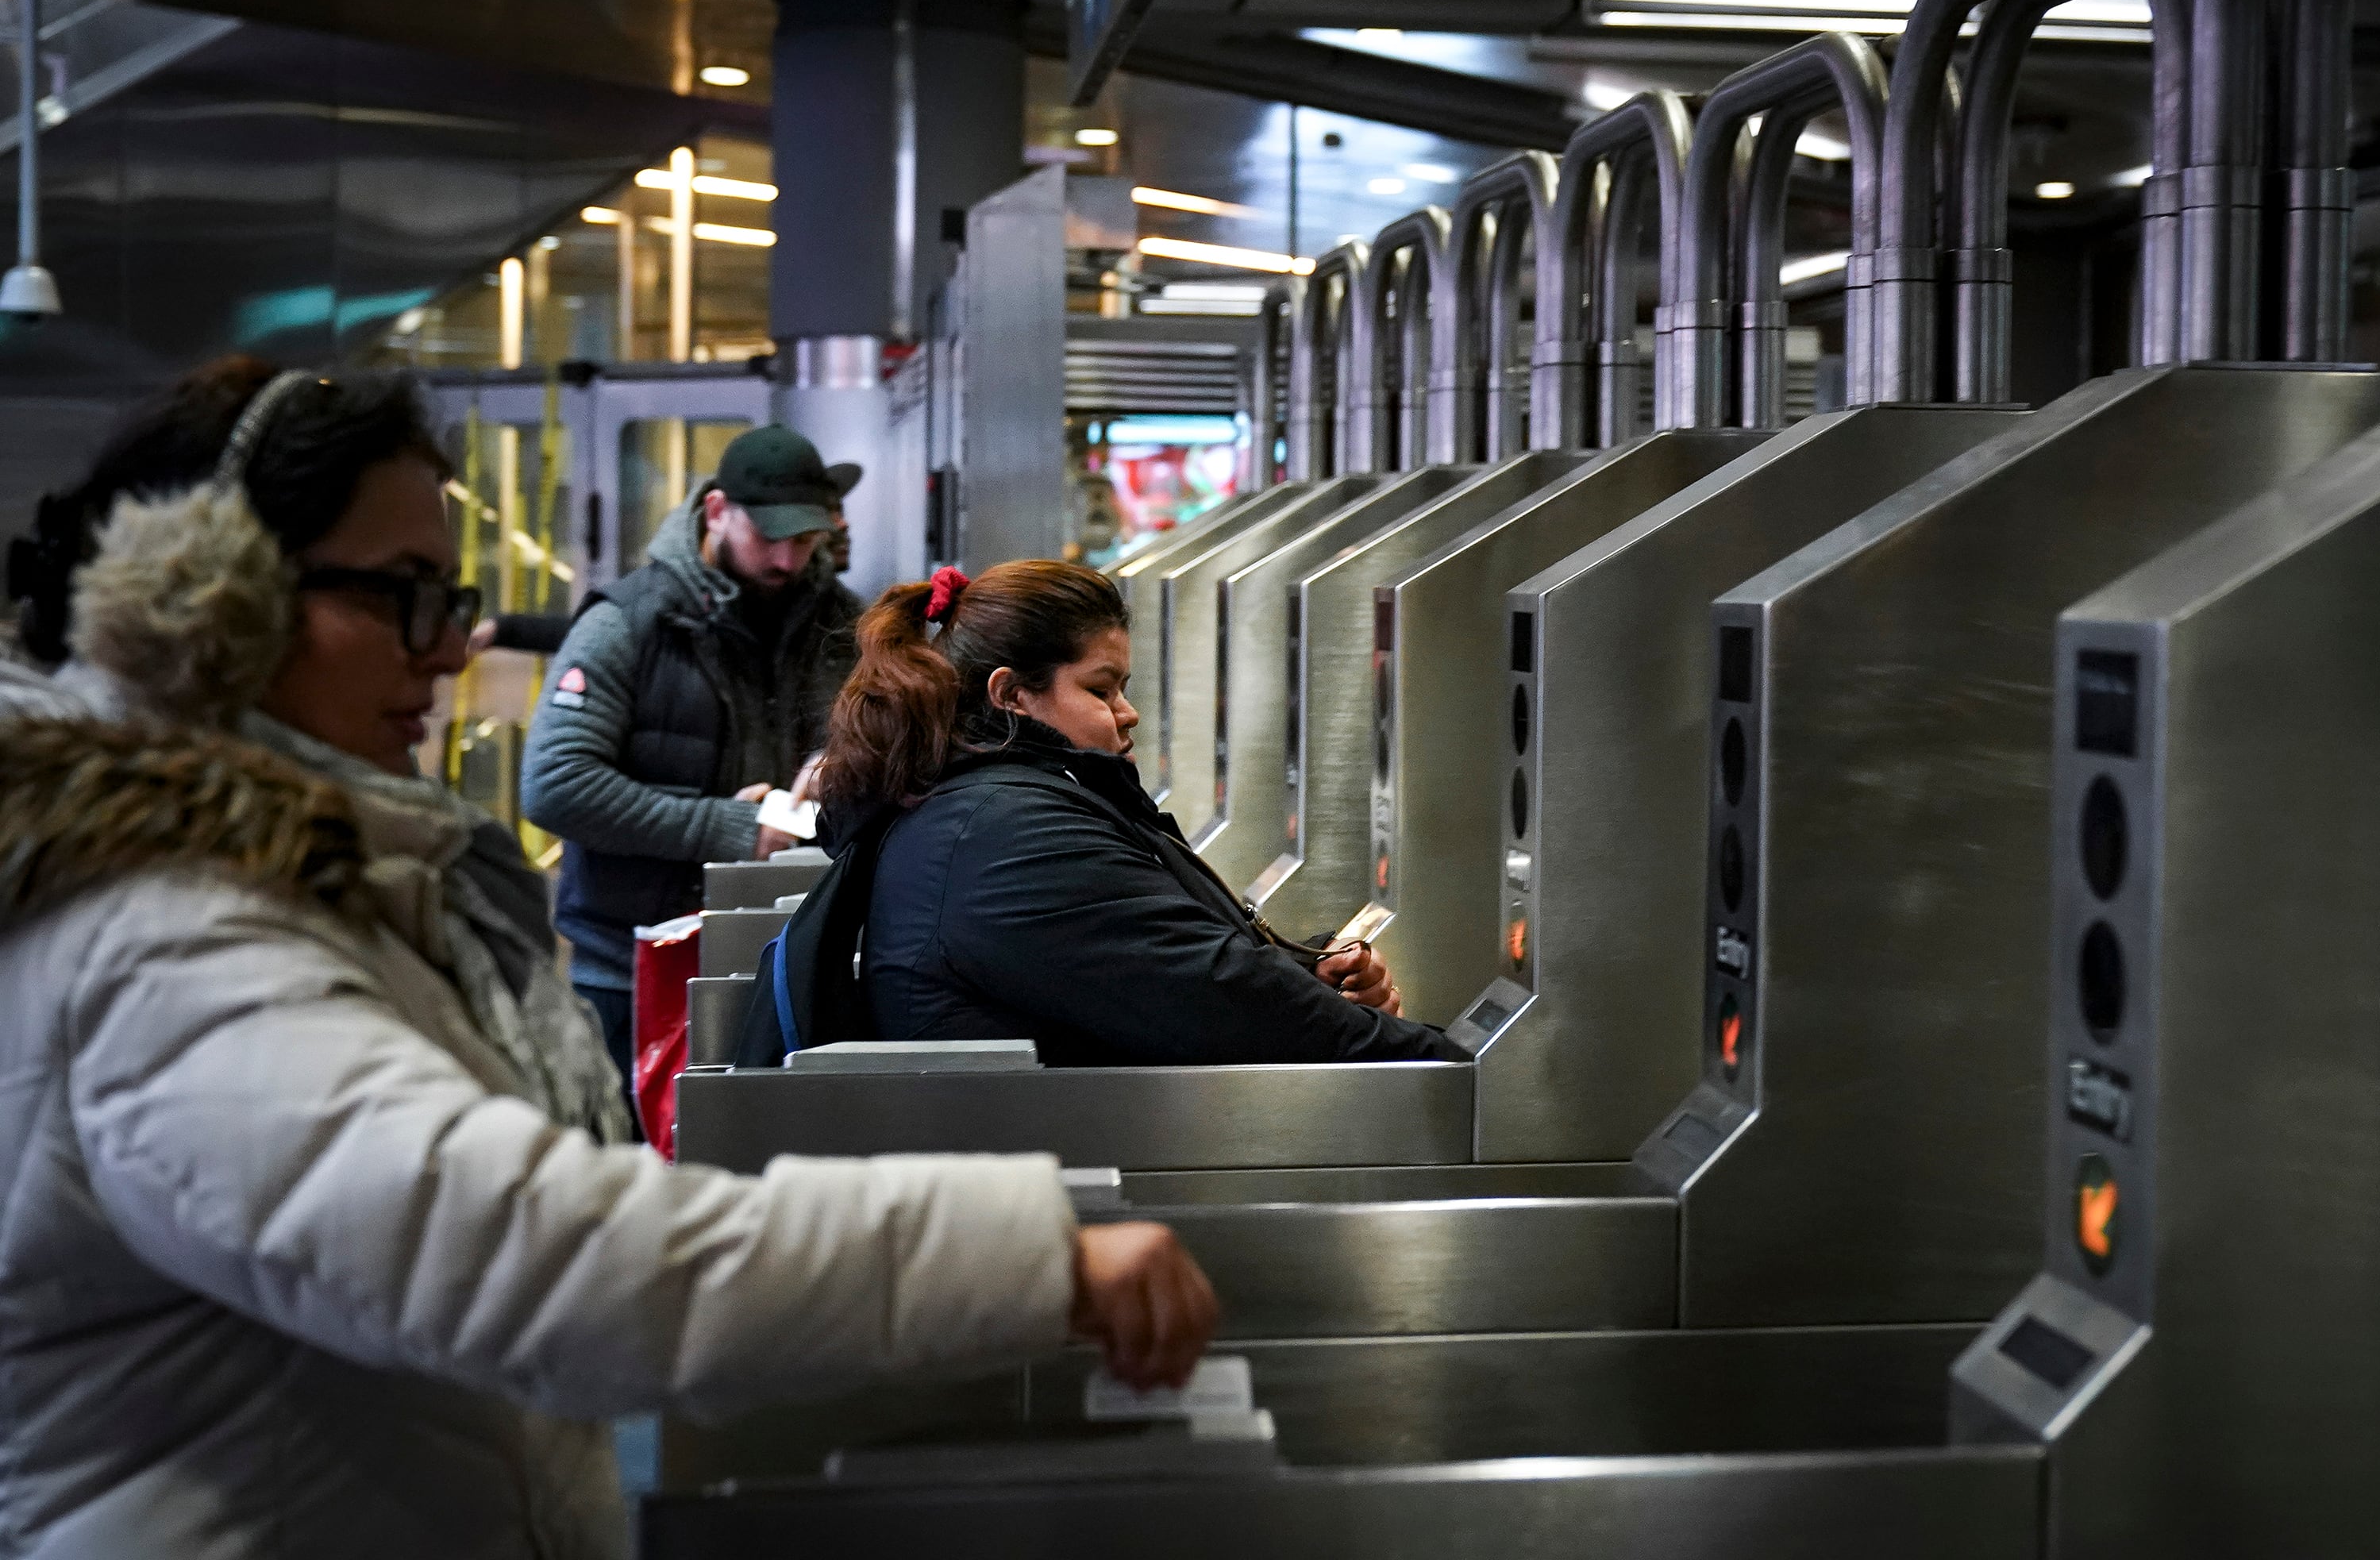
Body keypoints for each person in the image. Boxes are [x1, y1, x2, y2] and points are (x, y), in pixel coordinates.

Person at [0, 361, 1216, 1559]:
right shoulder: (167, 942)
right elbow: (518, 1248)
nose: (450, 645)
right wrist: (1013, 1254)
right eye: (403, 592)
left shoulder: (311, 887)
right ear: (213, 610)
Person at [811, 559, 1469, 1065]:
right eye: (1101, 689)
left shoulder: (998, 806)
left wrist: (1308, 971)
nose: (1127, 714)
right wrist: (1438, 1059)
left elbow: (1168, 969)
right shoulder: (1008, 836)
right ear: (1012, 694)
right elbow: (1218, 999)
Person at [520, 425, 864, 1114]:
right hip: (634, 969)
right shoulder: (630, 623)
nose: (788, 560)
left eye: (805, 540)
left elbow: (879, 739)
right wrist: (735, 828)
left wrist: (845, 760)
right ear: (715, 512)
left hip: (786, 964)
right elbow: (556, 784)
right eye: (768, 537)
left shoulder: (842, 623)